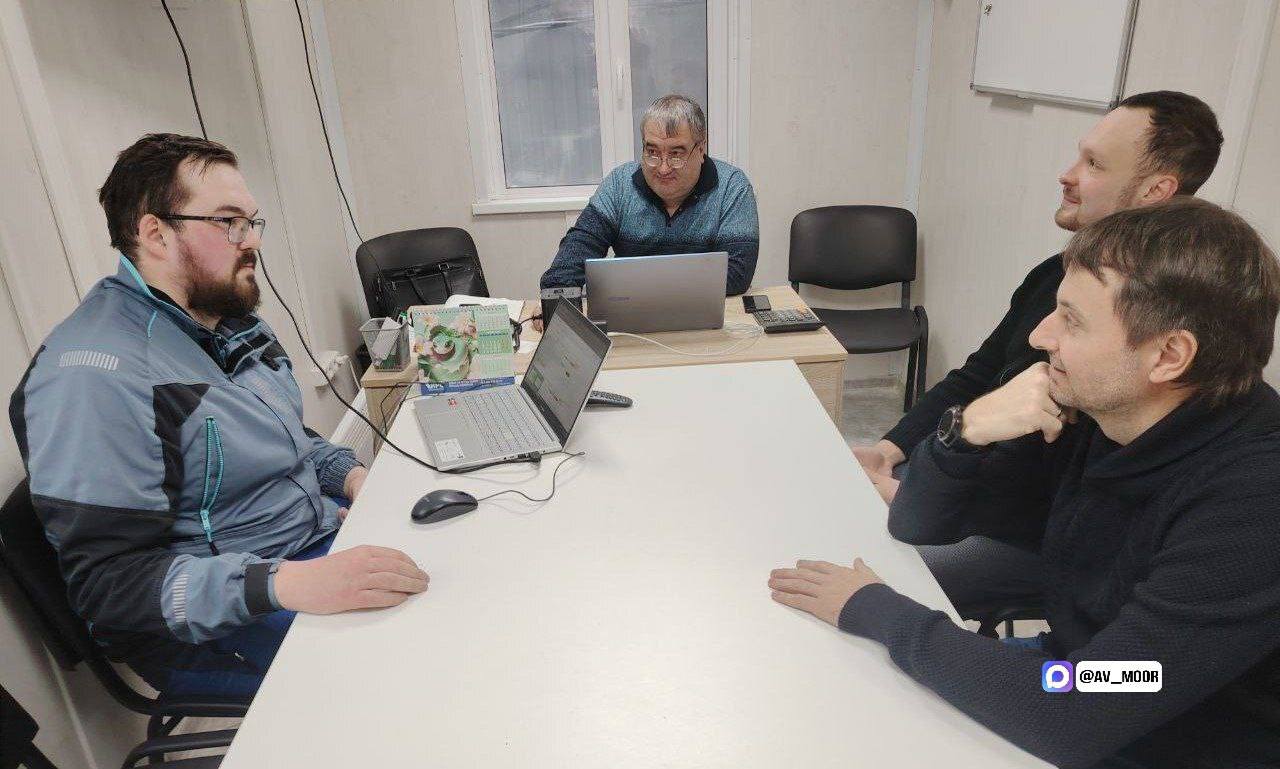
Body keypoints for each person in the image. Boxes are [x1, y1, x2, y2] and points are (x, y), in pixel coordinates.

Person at [770, 199, 1280, 768]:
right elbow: (917, 522)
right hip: (1073, 681)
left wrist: (877, 609)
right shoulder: (1103, 414)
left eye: (1072, 320)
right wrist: (965, 431)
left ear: (1168, 355)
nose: (1041, 336)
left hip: (1154, 737)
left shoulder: (1253, 505)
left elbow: (1084, 702)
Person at [9, 134, 428, 698]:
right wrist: (289, 583)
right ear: (155, 233)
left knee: (458, 588)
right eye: (229, 222)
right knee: (415, 679)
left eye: (252, 222)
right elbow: (110, 586)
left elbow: (284, 439)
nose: (252, 240)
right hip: (212, 622)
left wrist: (353, 478)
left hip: (306, 549)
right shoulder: (91, 378)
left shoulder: (228, 319)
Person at [851, 90, 1224, 615]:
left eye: (1093, 164)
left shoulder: (1151, 335)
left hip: (1025, 535)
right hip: (972, 490)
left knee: (866, 578)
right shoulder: (1053, 275)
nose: (1067, 175)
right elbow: (978, 376)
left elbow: (1069, 499)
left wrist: (923, 496)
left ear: (1155, 190)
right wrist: (891, 450)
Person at [539, 94, 759, 299]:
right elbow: (578, 247)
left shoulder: (732, 186)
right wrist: (556, 298)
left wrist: (634, 283)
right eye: (652, 152)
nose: (663, 168)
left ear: (701, 150)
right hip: (630, 315)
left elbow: (737, 273)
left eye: (676, 154)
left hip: (710, 319)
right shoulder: (620, 184)